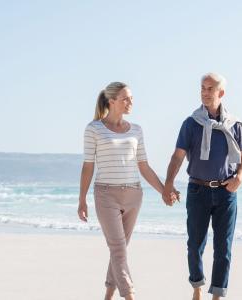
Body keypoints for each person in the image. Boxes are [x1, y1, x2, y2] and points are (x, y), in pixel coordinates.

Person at [78, 82, 177, 300]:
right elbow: (88, 166)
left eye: (131, 98)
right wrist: (82, 199)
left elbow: (144, 166)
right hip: (106, 195)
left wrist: (164, 190)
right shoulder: (93, 129)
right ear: (111, 101)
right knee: (119, 250)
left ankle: (108, 295)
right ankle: (130, 295)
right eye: (125, 99)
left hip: (133, 195)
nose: (130, 102)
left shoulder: (136, 130)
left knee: (119, 250)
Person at [162, 73, 242, 300]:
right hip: (198, 190)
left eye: (210, 88)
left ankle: (217, 295)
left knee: (224, 248)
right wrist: (168, 184)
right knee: (195, 244)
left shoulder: (235, 125)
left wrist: (239, 177)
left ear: (221, 93)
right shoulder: (191, 123)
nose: (205, 92)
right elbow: (178, 157)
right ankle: (197, 287)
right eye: (202, 87)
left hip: (226, 192)